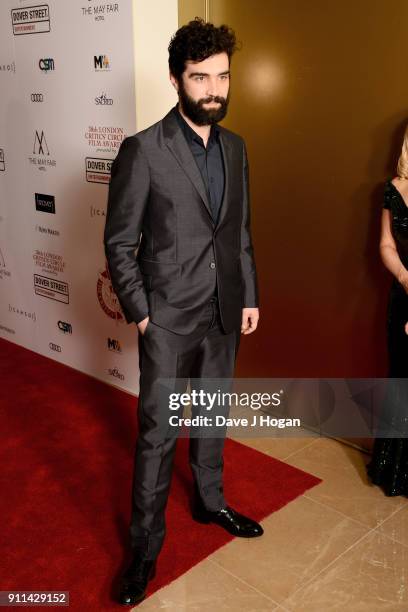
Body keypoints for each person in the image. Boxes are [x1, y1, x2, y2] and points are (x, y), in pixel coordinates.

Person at [104, 17, 263, 606]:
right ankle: (144, 549)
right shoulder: (143, 150)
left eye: (223, 76)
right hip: (167, 319)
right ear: (177, 80)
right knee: (156, 435)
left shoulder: (238, 148)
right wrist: (144, 314)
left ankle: (210, 499)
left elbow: (240, 232)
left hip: (224, 312)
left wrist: (248, 294)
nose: (215, 89)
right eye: (202, 78)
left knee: (213, 413)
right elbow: (120, 244)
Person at [366, 123, 408, 497]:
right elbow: (386, 245)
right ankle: (395, 471)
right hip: (403, 295)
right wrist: (406, 278)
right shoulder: (394, 188)